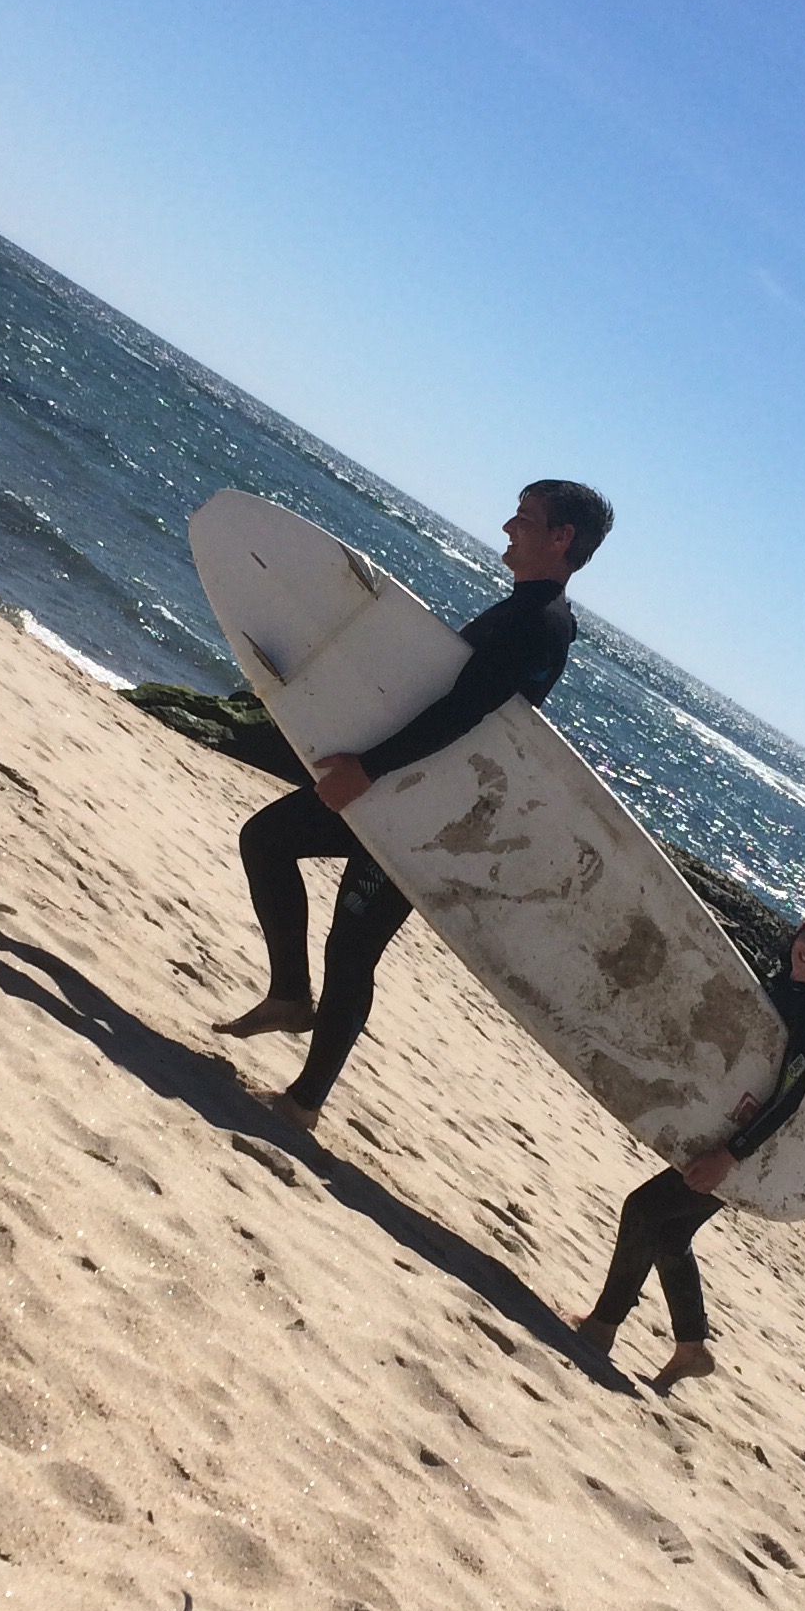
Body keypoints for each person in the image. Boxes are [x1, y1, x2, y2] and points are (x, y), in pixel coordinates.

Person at [215, 479, 614, 1127]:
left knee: (348, 944)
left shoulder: (540, 624)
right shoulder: (527, 612)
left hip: (424, 806)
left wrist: (367, 769)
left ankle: (304, 1099)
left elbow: (465, 712)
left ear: (561, 537)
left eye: (526, 517)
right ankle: (289, 998)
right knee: (271, 845)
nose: (509, 526)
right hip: (408, 789)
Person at [575, 900, 805, 1386]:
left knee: (643, 1210)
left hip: (750, 1150)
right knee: (670, 1236)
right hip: (727, 1133)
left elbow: (789, 1099)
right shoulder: (786, 982)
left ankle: (601, 1328)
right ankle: (691, 1349)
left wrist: (730, 1156)